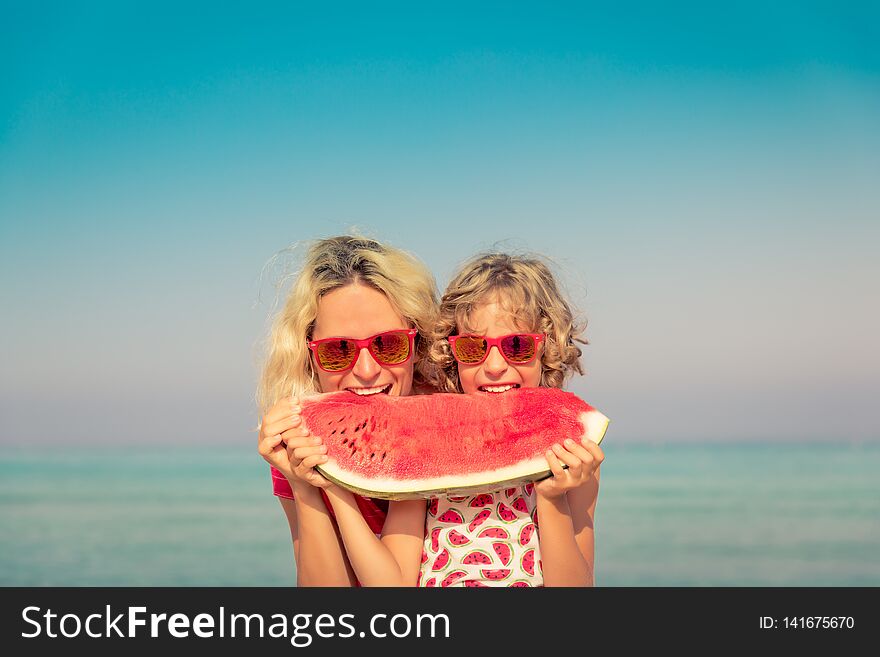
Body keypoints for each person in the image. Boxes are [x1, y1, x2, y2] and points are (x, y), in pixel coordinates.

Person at [292, 251, 604, 586]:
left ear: (548, 352)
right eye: (473, 347)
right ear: (452, 356)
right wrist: (336, 484)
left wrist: (551, 497)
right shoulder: (424, 442)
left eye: (517, 345)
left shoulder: (576, 458)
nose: (495, 366)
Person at [256, 235, 438, 586]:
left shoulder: (443, 421)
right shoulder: (297, 444)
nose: (367, 370)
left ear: (418, 344)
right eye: (338, 350)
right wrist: (305, 485)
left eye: (389, 344)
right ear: (310, 356)